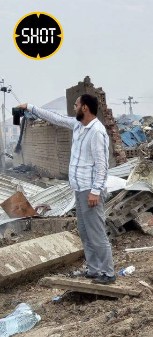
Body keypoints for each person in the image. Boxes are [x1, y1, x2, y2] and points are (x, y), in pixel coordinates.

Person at [16, 96, 115, 284]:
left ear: (85, 108)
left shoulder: (97, 132)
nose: (74, 107)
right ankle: (94, 269)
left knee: (96, 232)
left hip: (90, 190)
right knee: (85, 232)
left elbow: (102, 165)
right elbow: (55, 118)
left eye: (76, 105)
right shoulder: (78, 126)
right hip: (79, 189)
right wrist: (30, 106)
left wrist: (95, 191)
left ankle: (107, 273)